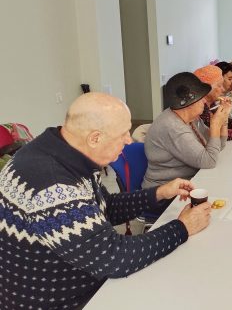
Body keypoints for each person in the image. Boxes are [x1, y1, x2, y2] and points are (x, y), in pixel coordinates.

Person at [0, 92, 211, 309]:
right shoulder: (53, 185)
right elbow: (114, 258)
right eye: (122, 135)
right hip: (62, 301)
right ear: (95, 138)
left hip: (79, 281)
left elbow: (104, 208)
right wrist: (183, 227)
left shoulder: (67, 152)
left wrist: (158, 193)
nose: (129, 140)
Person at [142, 72, 231, 189]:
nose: (205, 101)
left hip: (190, 182)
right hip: (166, 193)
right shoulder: (173, 127)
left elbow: (218, 146)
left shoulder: (191, 118)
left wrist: (223, 120)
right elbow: (209, 161)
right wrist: (215, 126)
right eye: (201, 98)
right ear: (188, 103)